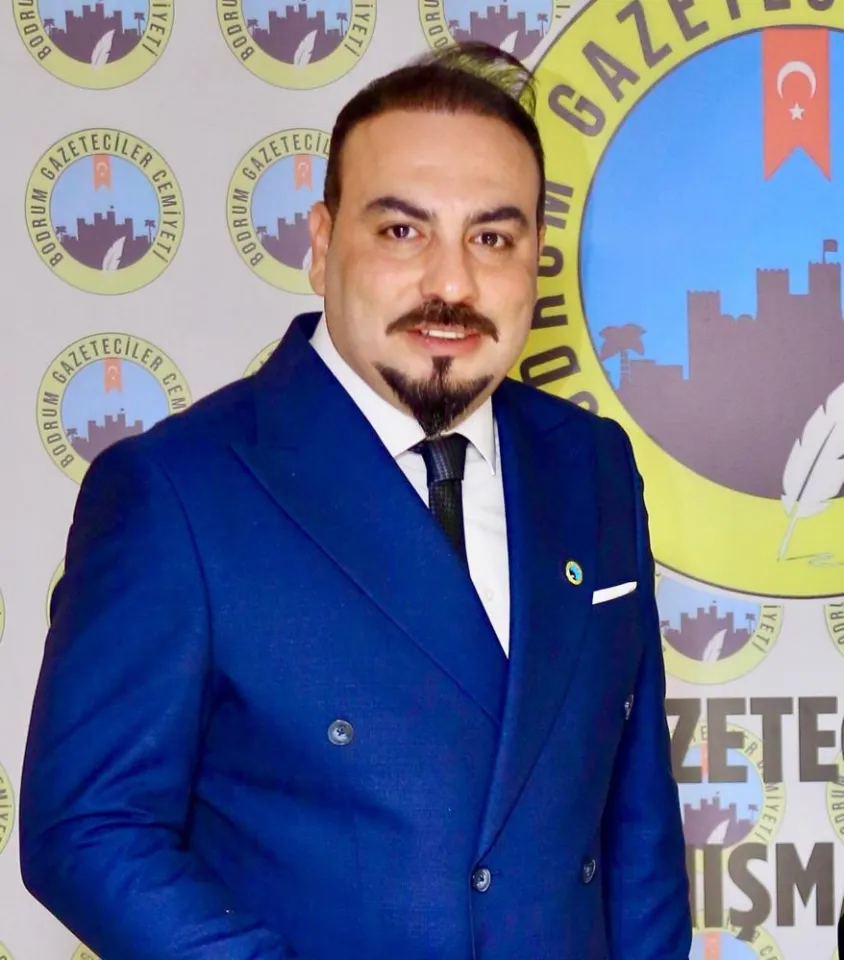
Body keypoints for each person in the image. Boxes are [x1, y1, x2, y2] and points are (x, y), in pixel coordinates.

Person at [20, 42, 691, 960]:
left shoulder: (593, 465)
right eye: (403, 232)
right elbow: (89, 827)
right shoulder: (177, 490)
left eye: (492, 238)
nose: (451, 284)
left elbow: (636, 821)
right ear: (322, 243)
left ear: (537, 258)